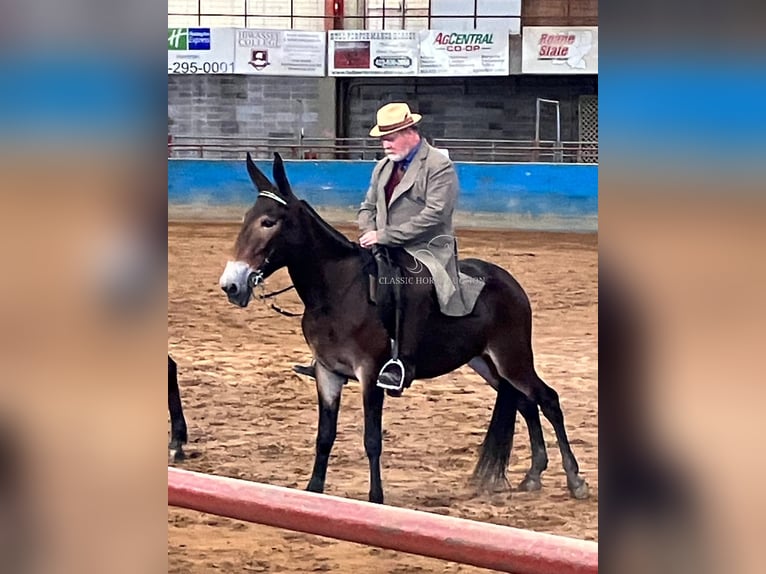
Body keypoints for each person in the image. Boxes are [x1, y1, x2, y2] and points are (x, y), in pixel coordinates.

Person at [294, 102, 483, 395]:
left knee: (413, 287)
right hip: (382, 244)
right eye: (383, 138)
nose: (385, 144)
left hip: (426, 249)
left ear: (410, 132)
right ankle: (336, 353)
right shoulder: (383, 166)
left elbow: (435, 214)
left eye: (391, 137)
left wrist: (386, 235)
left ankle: (403, 363)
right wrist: (369, 230)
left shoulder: (438, 166)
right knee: (349, 280)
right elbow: (367, 206)